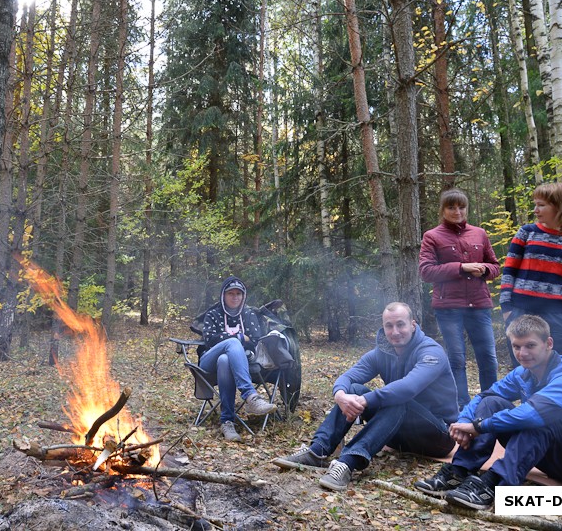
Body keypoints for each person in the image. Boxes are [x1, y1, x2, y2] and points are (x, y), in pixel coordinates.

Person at [414, 314, 562, 511]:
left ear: (548, 344)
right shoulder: (523, 373)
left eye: (530, 345)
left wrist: (478, 427)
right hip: (555, 458)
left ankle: (495, 484)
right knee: (492, 402)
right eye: (516, 346)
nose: (522, 354)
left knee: (539, 418)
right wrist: (465, 421)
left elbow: (531, 415)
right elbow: (485, 396)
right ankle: (458, 472)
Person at [272, 302, 457, 491]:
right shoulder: (382, 352)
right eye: (389, 326)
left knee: (398, 399)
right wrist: (341, 396)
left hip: (438, 436)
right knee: (354, 388)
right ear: (383, 327)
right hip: (397, 434)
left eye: (400, 324)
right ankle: (317, 450)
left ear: (413, 325)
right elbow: (349, 377)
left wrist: (366, 400)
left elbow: (408, 388)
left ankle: (348, 462)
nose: (395, 331)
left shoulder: (431, 352)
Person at [420, 188, 501, 408]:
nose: (457, 211)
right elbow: (426, 271)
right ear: (443, 209)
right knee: (456, 360)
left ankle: (490, 406)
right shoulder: (432, 236)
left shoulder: (479, 233)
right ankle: (461, 409)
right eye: (451, 207)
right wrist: (461, 267)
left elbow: (495, 267)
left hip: (479, 305)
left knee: (489, 359)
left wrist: (484, 269)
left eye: (461, 207)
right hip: (448, 308)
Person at [500, 182, 562, 365]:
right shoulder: (527, 232)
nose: (535, 210)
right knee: (526, 374)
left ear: (559, 206)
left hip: (560, 318)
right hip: (522, 313)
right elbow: (509, 271)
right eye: (535, 204)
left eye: (541, 205)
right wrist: (507, 309)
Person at [200, 276, 276, 442]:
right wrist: (240, 338)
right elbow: (210, 340)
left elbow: (255, 340)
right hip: (207, 361)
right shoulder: (213, 314)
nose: (235, 297)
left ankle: (227, 422)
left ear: (243, 296)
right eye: (230, 293)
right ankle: (251, 396)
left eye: (238, 294)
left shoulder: (248, 314)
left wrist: (228, 338)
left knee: (225, 361)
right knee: (232, 344)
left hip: (237, 363)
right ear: (223, 295)